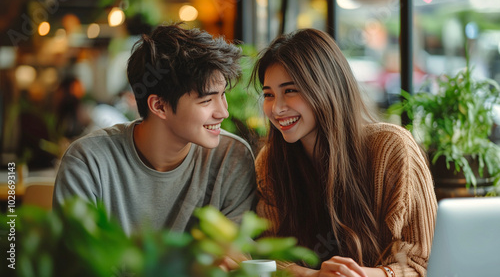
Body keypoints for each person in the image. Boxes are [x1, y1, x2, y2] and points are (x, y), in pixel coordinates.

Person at [252, 28, 437, 277]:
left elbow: (422, 263)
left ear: (326, 88)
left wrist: (358, 274)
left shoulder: (392, 148)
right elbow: (267, 255)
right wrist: (313, 275)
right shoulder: (271, 162)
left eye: (290, 90)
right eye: (268, 95)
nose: (277, 108)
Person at [53, 23, 256, 236]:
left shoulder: (231, 158)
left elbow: (233, 259)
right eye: (206, 101)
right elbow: (78, 263)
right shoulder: (88, 162)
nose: (223, 112)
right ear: (159, 106)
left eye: (222, 94)